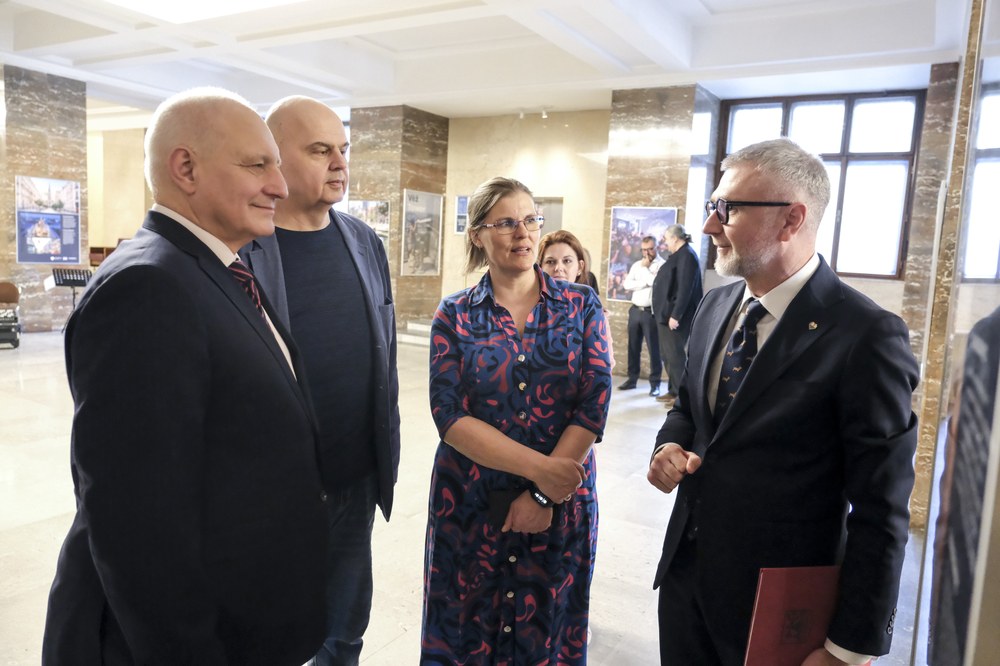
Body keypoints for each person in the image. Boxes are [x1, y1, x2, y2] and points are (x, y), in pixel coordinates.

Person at [41, 88, 328, 665]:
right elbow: (139, 527)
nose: (281, 184)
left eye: (278, 163)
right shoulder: (148, 288)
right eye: (258, 164)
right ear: (186, 168)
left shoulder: (215, 266)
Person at [646, 138, 919, 666]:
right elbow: (687, 407)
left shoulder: (866, 335)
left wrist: (849, 647)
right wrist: (670, 444)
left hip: (779, 606)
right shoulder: (716, 303)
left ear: (791, 219)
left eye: (727, 209)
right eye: (711, 208)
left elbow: (882, 508)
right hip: (686, 580)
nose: (709, 226)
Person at [422, 176, 613, 665]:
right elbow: (449, 415)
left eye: (530, 219)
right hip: (471, 503)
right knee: (468, 628)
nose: (522, 233)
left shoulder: (581, 305)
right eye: (506, 222)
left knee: (548, 628)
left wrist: (546, 491)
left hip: (562, 502)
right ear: (477, 234)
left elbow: (593, 400)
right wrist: (539, 471)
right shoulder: (455, 314)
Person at [239, 95, 400, 666]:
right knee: (272, 635)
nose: (339, 163)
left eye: (343, 149)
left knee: (343, 635)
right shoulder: (243, 246)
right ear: (276, 157)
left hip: (354, 479)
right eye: (319, 150)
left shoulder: (363, 242)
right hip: (275, 492)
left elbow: (384, 356)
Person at [651, 223, 703, 405]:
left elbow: (685, 289)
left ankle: (681, 398)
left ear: (675, 238)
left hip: (674, 317)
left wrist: (676, 315)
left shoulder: (687, 256)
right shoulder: (679, 255)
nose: (665, 243)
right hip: (665, 315)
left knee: (676, 357)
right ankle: (673, 391)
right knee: (668, 356)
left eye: (666, 239)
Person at [620, 235, 664, 396]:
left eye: (650, 249)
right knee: (633, 347)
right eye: (644, 249)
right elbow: (626, 284)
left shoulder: (662, 265)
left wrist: (645, 272)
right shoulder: (637, 265)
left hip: (650, 313)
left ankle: (655, 384)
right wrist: (643, 282)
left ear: (656, 247)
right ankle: (632, 379)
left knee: (654, 350)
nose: (647, 253)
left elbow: (656, 284)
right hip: (635, 310)